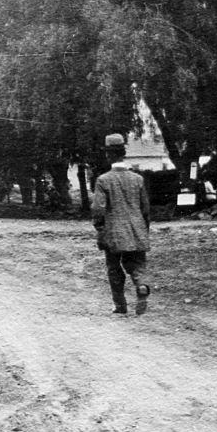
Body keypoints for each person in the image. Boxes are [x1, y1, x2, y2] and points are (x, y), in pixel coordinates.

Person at [92, 133, 151, 315]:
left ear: (109, 155)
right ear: (123, 153)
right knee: (137, 264)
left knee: (114, 267)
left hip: (114, 231)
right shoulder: (138, 179)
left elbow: (98, 209)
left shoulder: (103, 180)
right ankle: (141, 286)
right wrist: (143, 229)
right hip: (137, 229)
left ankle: (120, 305)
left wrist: (100, 228)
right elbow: (145, 209)